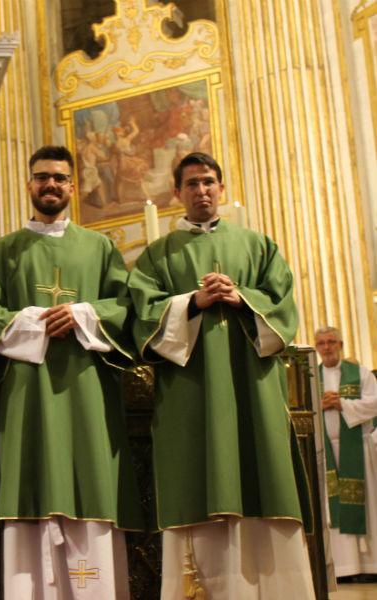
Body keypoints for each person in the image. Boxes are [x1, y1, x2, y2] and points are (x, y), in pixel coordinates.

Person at [127, 152, 315, 598]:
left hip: (252, 389)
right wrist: (193, 302)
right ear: (177, 193)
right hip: (190, 398)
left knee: (261, 477)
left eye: (209, 182)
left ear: (222, 189)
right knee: (196, 485)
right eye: (191, 184)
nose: (201, 191)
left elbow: (284, 310)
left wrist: (241, 298)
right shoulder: (157, 256)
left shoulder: (258, 246)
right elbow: (142, 318)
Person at [0, 145, 142, 598]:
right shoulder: (4, 251)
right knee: (32, 486)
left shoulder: (101, 247)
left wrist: (84, 315)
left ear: (73, 186)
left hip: (88, 393)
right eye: (42, 177)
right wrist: (37, 320)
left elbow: (127, 306)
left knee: (92, 484)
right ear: (29, 184)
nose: (51, 184)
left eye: (60, 178)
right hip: (29, 394)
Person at [314, 326, 377, 578]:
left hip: (358, 450)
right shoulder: (310, 375)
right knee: (333, 508)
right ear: (316, 348)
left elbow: (375, 402)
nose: (327, 347)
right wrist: (320, 404)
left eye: (331, 342)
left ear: (341, 344)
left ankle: (371, 565)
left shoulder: (360, 373)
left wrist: (342, 404)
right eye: (321, 343)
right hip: (326, 454)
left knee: (368, 505)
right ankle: (343, 568)